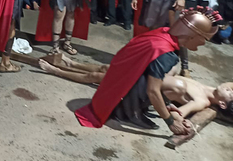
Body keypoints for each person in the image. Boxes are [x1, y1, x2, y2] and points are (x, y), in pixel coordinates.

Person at [75, 7, 221, 133]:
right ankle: (130, 112)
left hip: (126, 74)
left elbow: (151, 73)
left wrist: (167, 104)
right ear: (190, 36)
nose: (203, 43)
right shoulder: (165, 53)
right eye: (203, 39)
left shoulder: (165, 34)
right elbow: (153, 90)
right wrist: (170, 121)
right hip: (125, 81)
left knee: (158, 78)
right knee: (154, 83)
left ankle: (138, 109)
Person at [39, 55, 233, 121]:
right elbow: (227, 86)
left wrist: (177, 117)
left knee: (97, 77)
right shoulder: (215, 89)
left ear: (222, 103)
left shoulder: (202, 100)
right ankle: (72, 64)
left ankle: (54, 71)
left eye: (232, 94)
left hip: (141, 86)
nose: (231, 89)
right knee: (107, 66)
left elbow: (182, 112)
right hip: (149, 74)